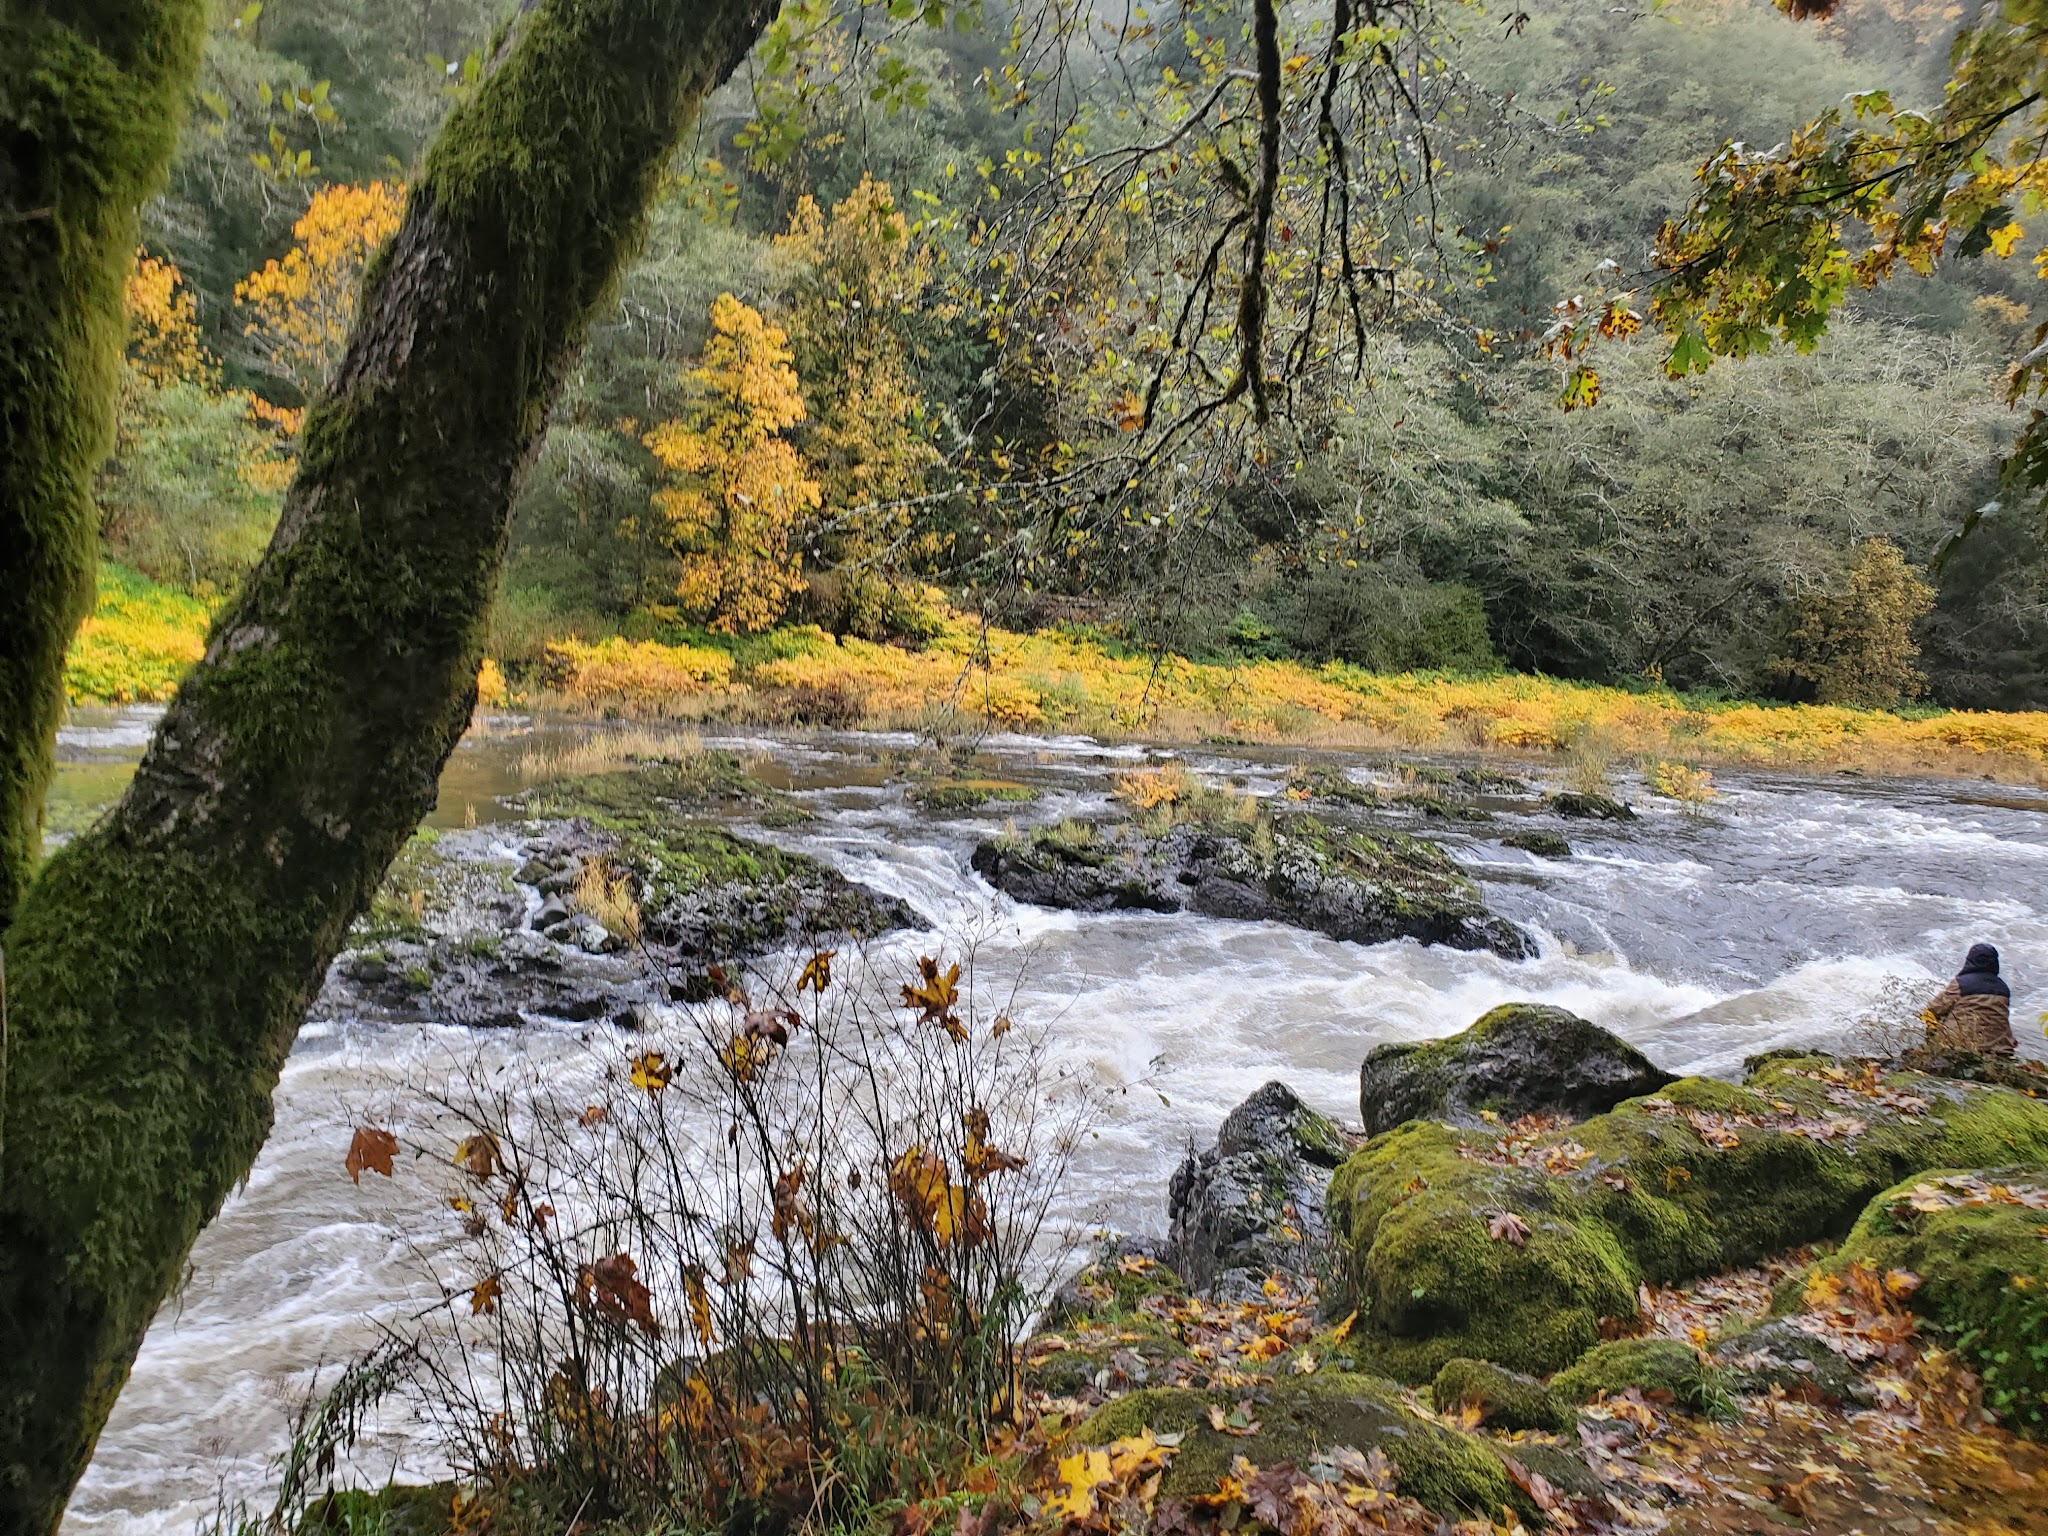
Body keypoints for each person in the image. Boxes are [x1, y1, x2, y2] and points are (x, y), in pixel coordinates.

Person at [1922, 942, 2017, 1056]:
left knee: (1932, 1017)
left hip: (1961, 1046)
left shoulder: (1960, 983)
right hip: (2000, 1049)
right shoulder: (2003, 988)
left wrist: (1932, 1031)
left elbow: (1932, 1010)